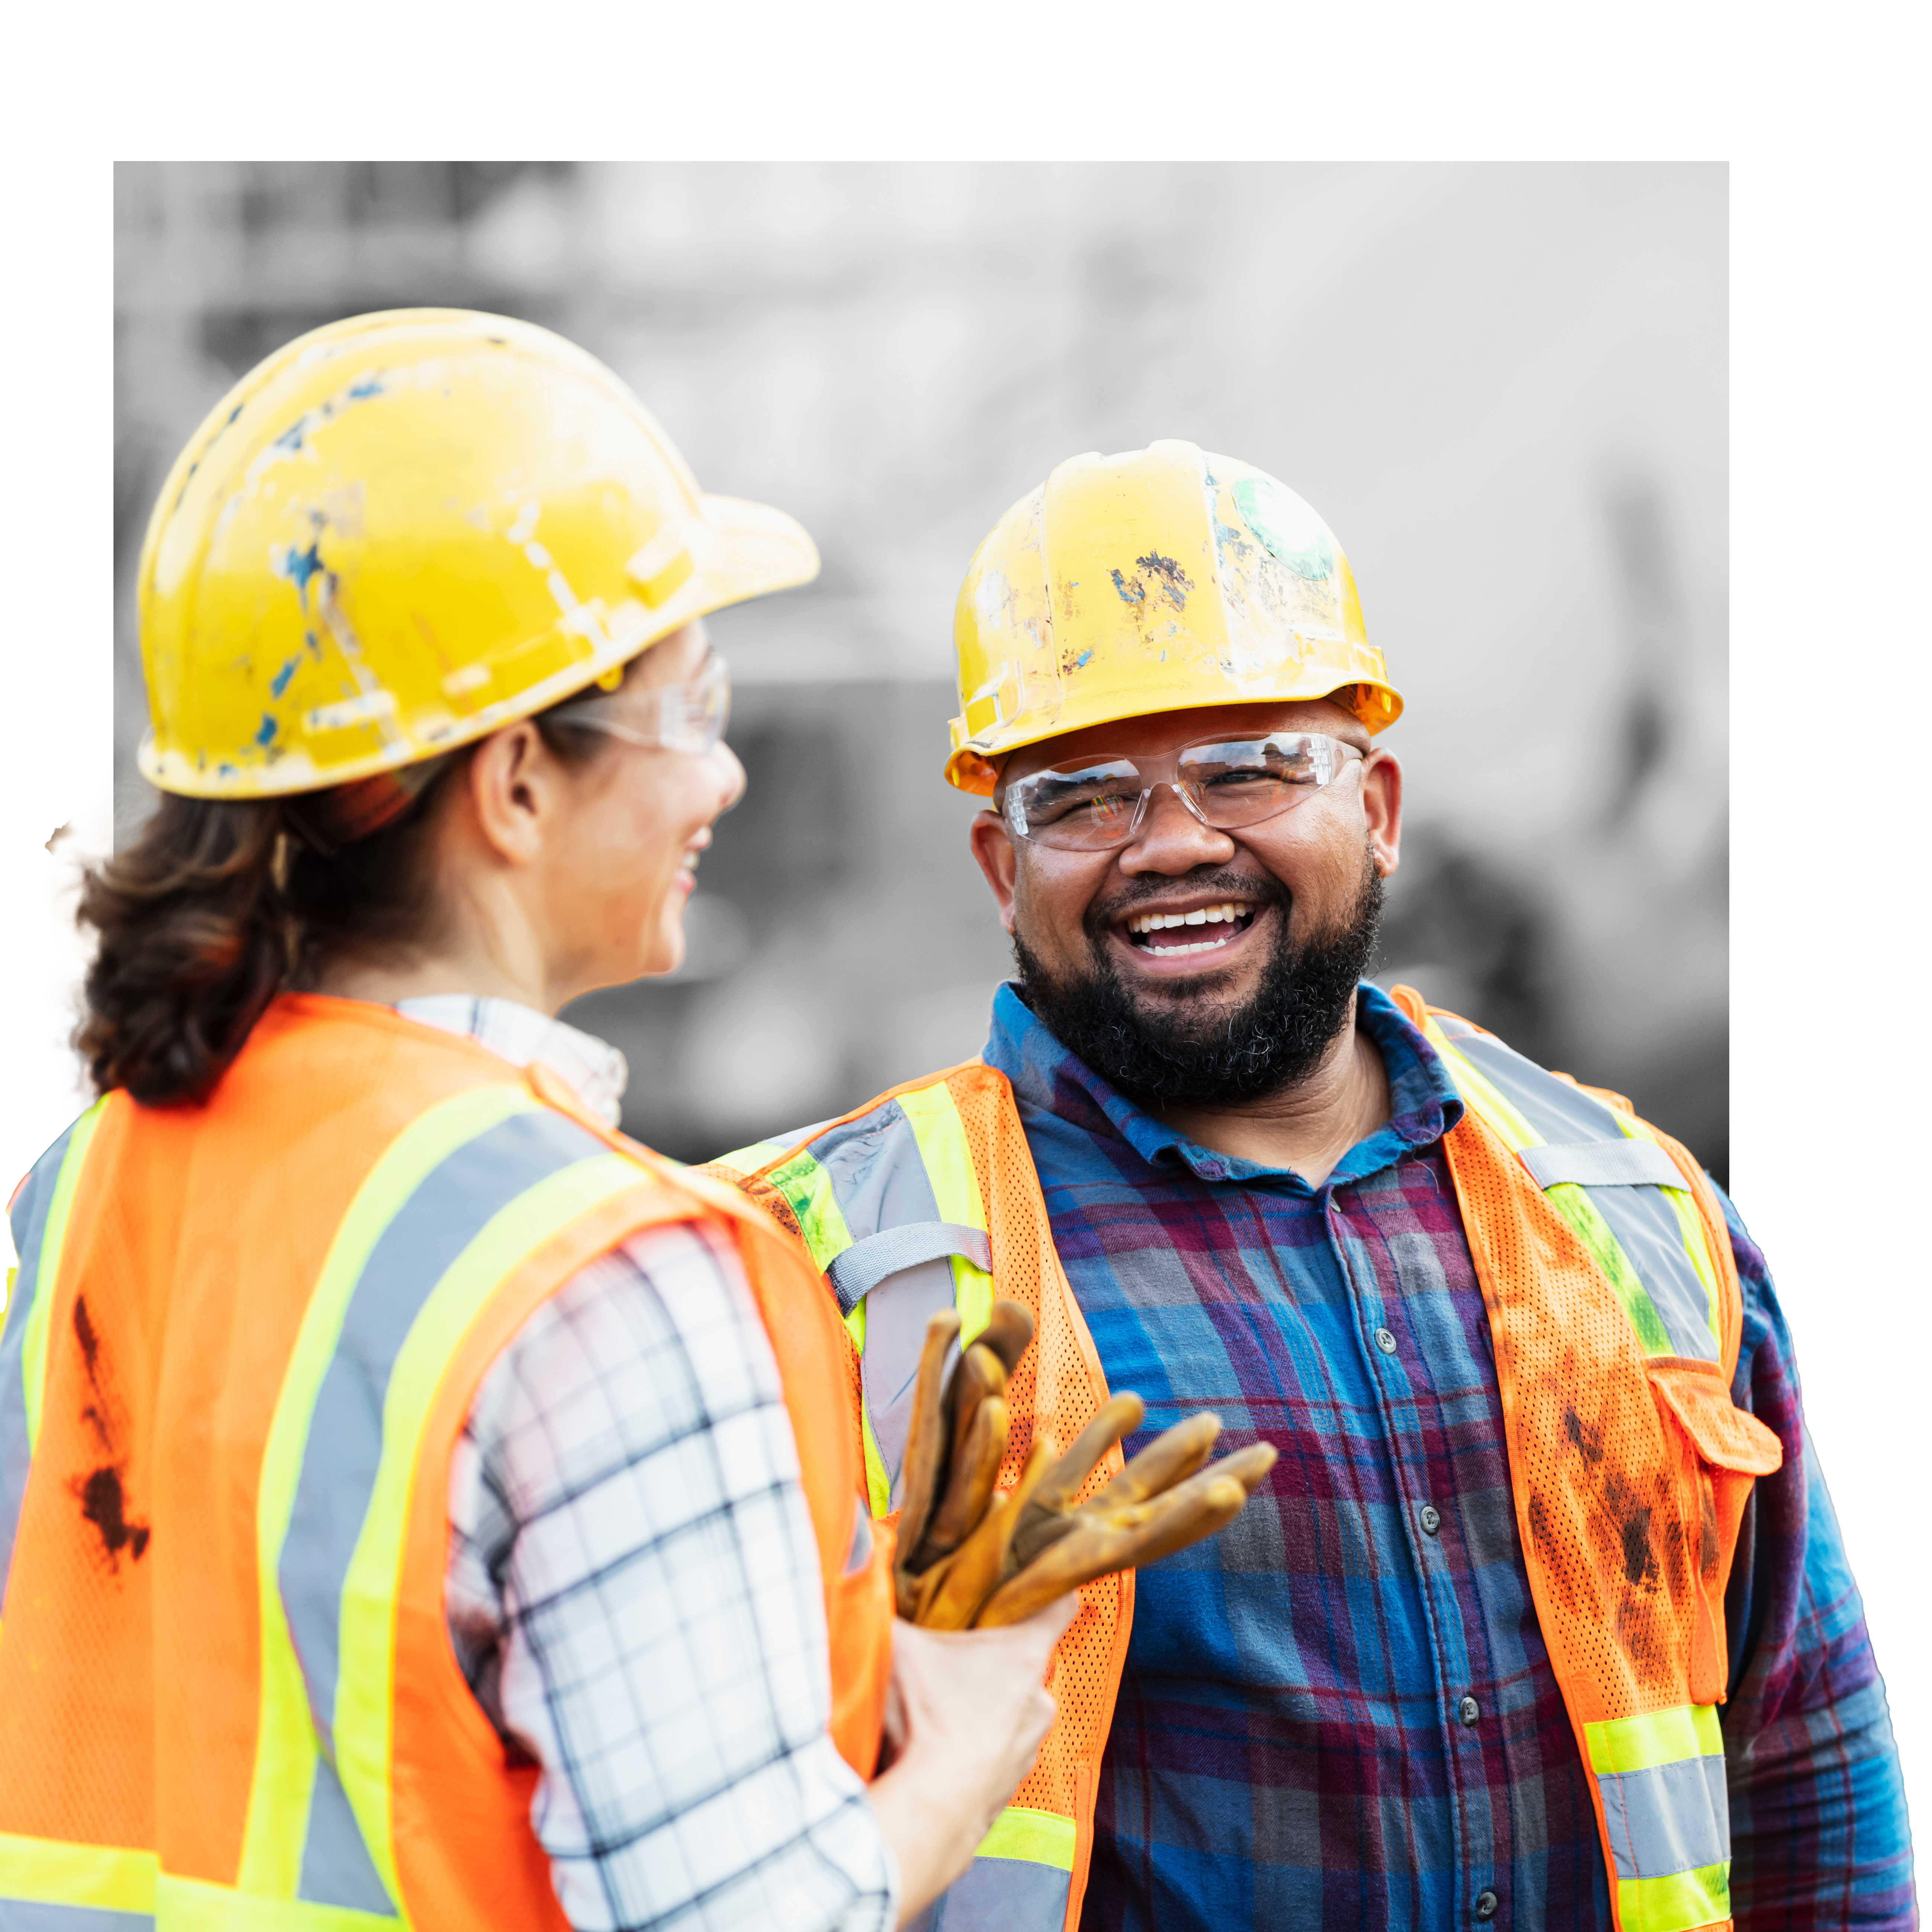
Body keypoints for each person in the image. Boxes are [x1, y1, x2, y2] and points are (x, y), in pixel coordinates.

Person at [708, 441, 1916, 1930]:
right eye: (1082, 796)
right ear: (993, 865)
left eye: (1247, 767)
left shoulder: (1634, 1209)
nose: (1171, 843)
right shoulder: (813, 1269)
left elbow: (1802, 1767)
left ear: (1380, 805)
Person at [0, 309, 1074, 1931]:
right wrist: (968, 1740)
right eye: (692, 706)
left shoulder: (90, 1179)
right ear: (513, 784)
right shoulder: (608, 1271)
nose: (720, 779)